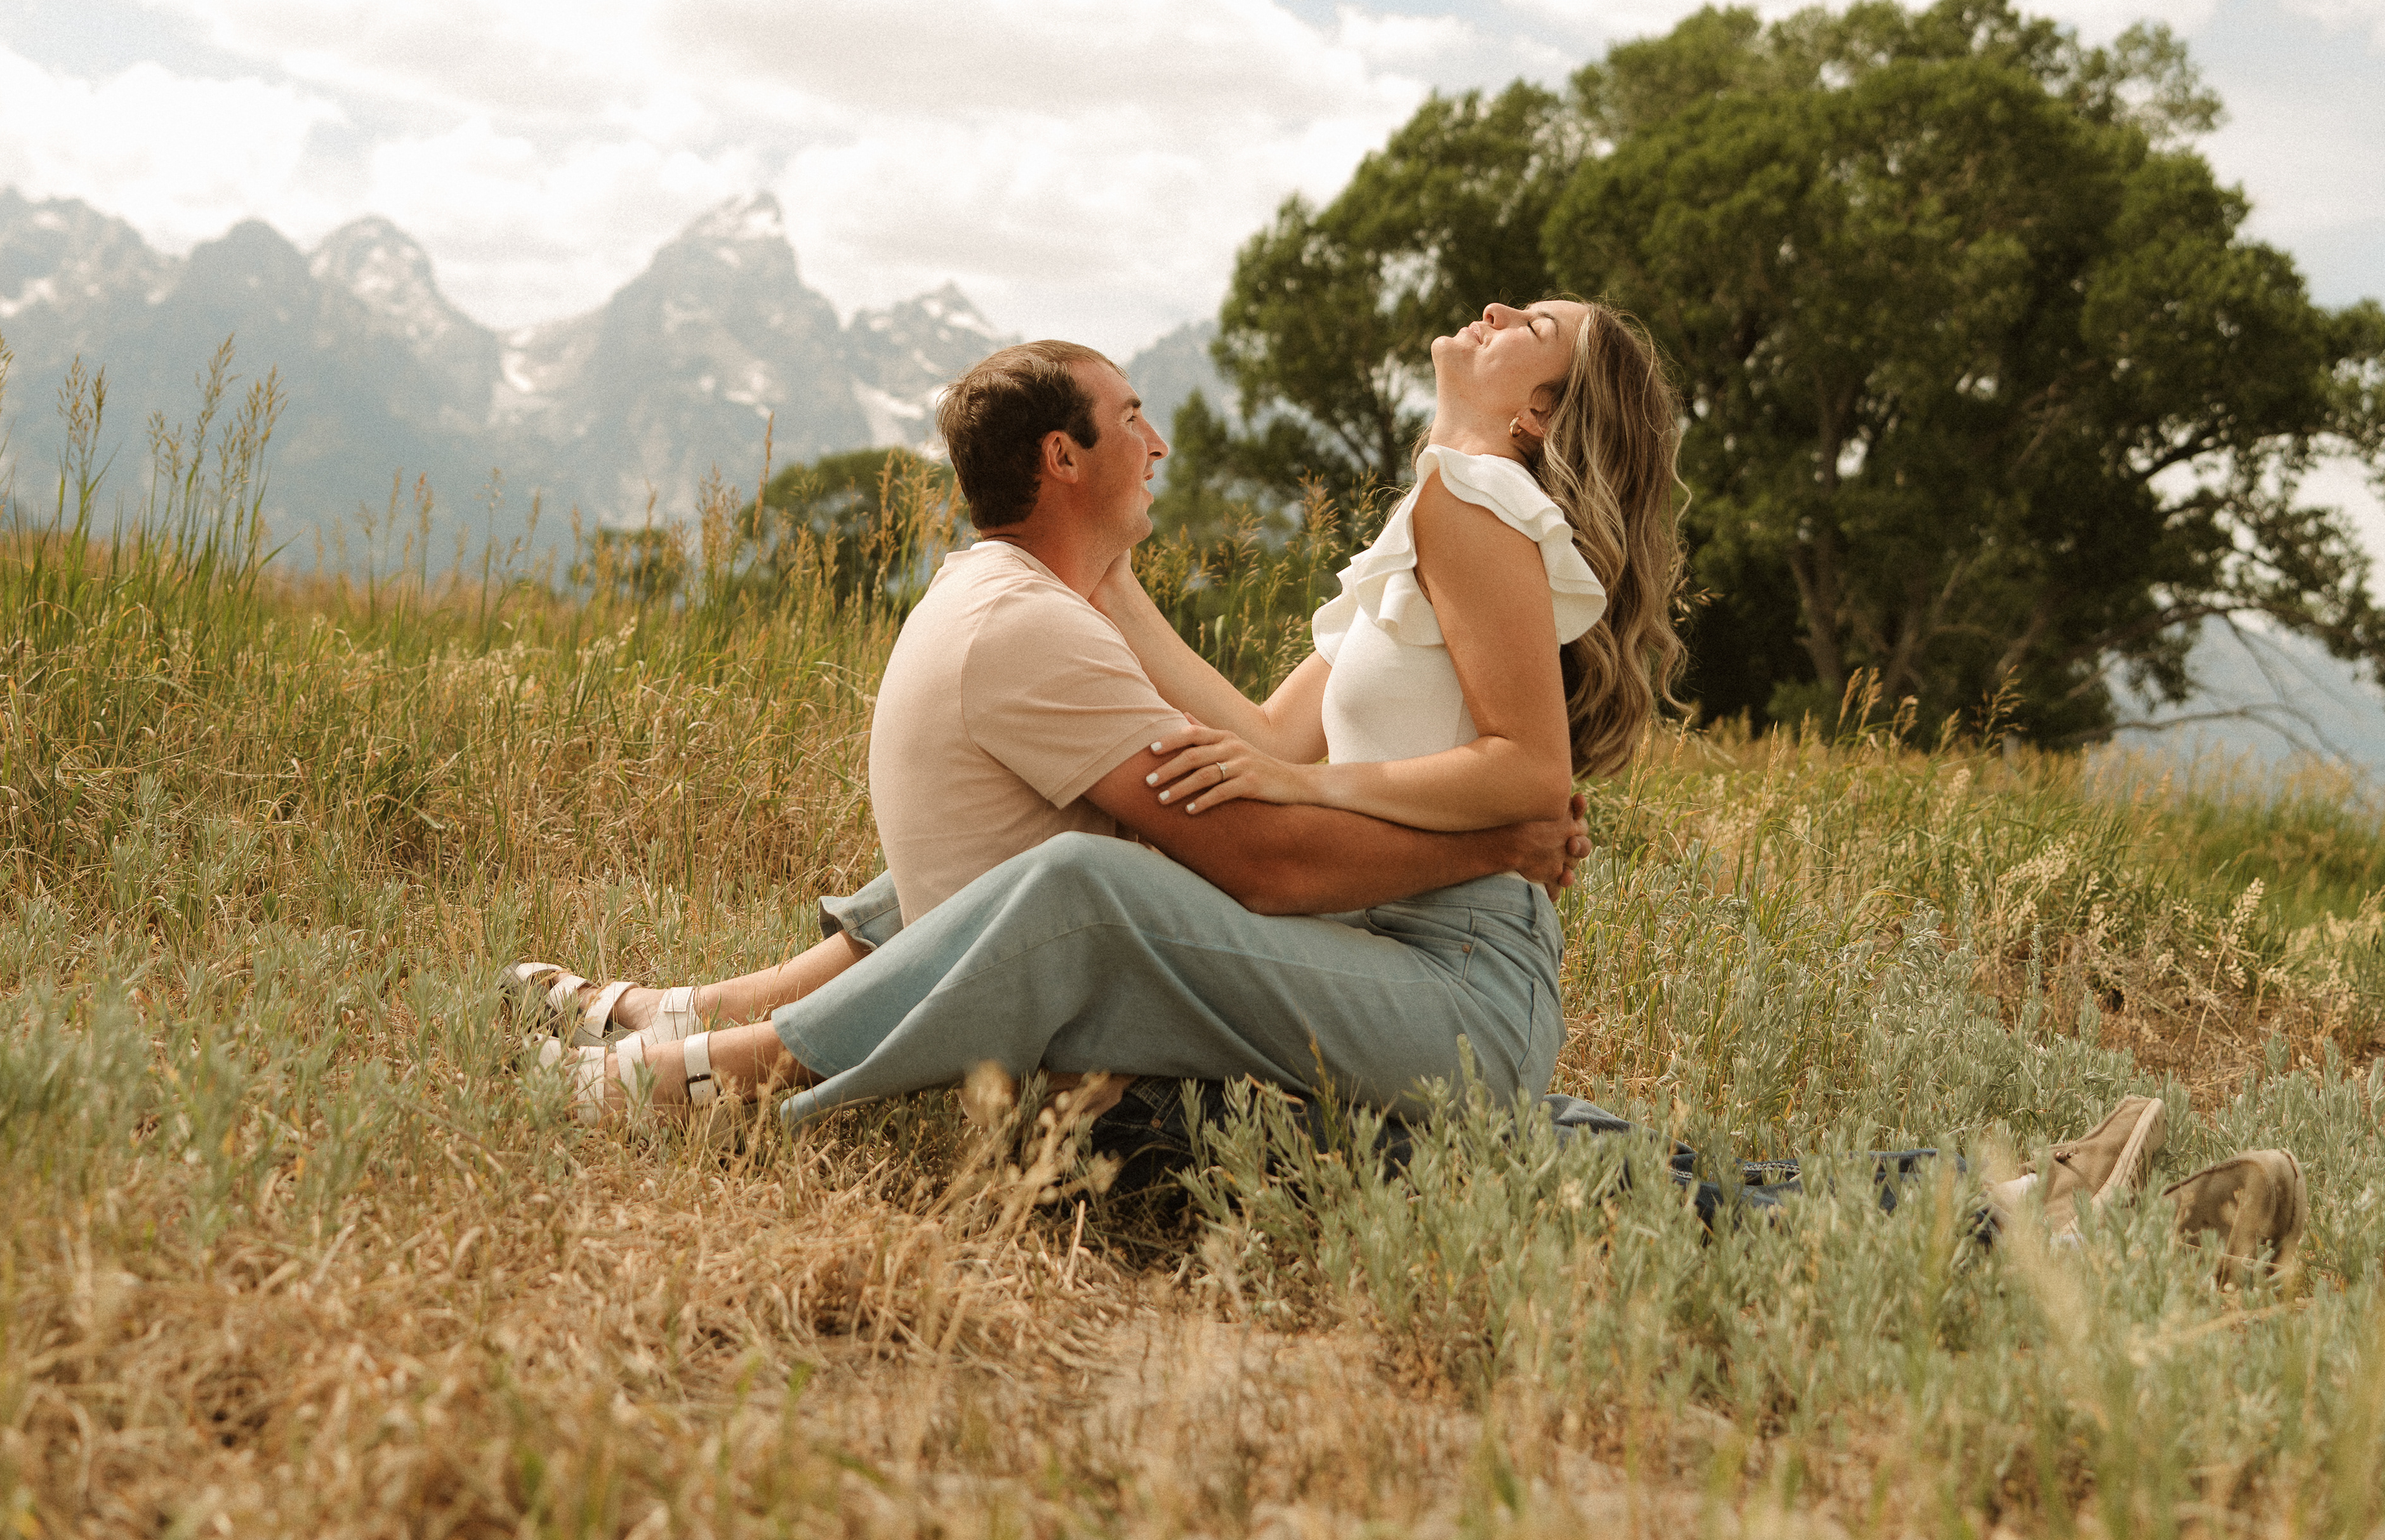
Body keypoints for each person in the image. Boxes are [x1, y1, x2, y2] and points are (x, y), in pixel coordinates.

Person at [531, 299, 1682, 1129]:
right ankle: (693, 1019)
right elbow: (1268, 738)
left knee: (1085, 881)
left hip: (1462, 990)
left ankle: (713, 1073)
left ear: (1539, 414)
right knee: (1041, 844)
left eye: (1534, 324)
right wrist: (1107, 574)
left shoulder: (1478, 503)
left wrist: (1312, 788)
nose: (1497, 309)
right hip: (1384, 943)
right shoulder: (1436, 512)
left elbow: (1529, 779)